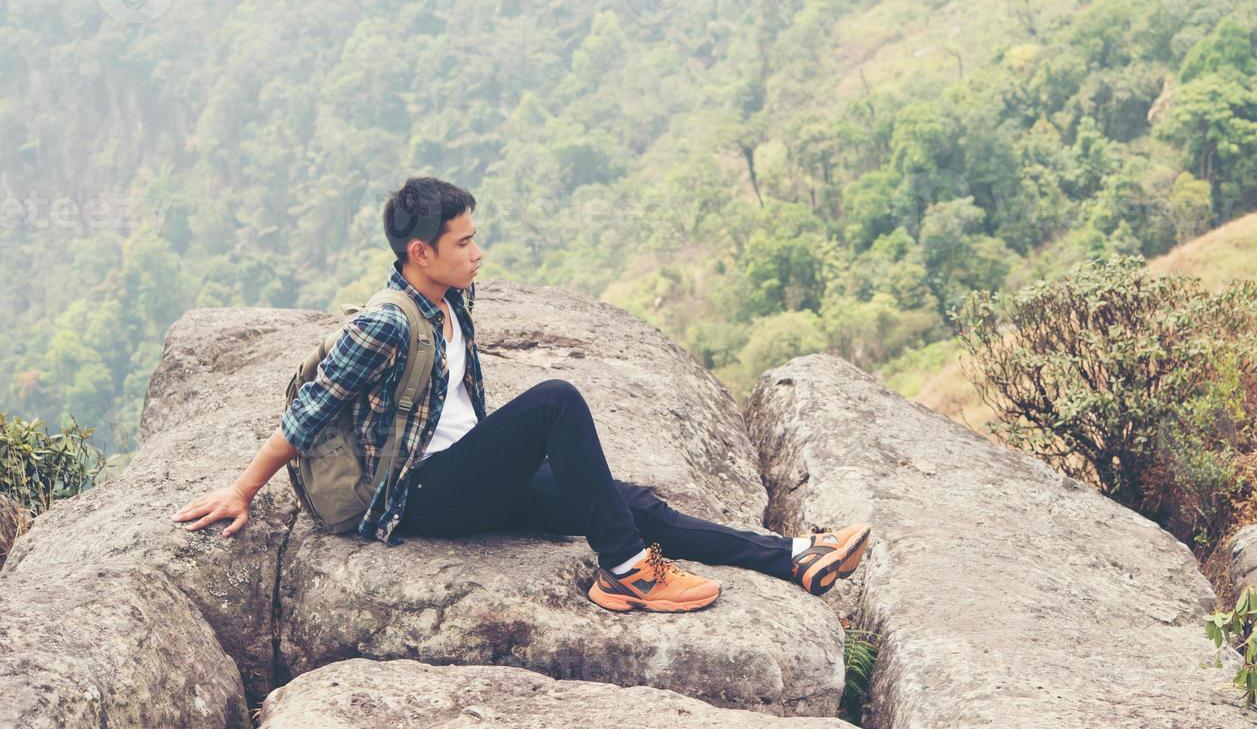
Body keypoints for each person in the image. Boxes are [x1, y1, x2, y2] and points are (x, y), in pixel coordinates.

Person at [171, 176, 871, 613]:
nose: (478, 253)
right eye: (464, 242)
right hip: (414, 496)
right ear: (421, 252)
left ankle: (792, 558)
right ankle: (628, 574)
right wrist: (241, 490)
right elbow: (308, 411)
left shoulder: (451, 300)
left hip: (465, 471)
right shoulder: (385, 323)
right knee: (555, 400)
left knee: (627, 502)